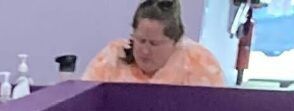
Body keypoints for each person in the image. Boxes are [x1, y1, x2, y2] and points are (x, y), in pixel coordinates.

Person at [86, 0, 231, 83]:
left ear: (175, 41)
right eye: (141, 40)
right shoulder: (111, 59)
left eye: (154, 44)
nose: (145, 50)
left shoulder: (200, 63)